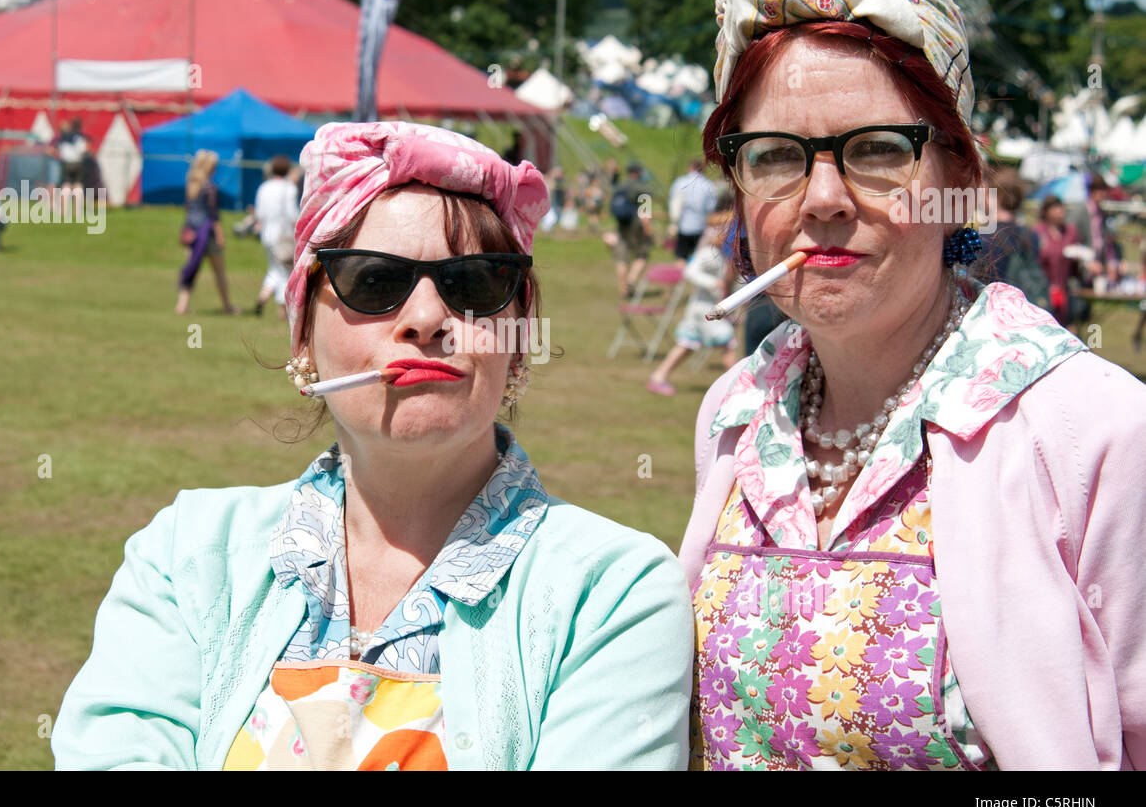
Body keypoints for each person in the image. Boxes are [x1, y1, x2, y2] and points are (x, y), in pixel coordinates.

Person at [53, 121, 693, 770]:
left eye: (472, 283)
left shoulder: (611, 593)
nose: (425, 317)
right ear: (302, 334)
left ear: (518, 337)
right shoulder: (188, 555)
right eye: (375, 281)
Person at [682, 0, 1146, 771]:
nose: (822, 199)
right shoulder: (734, 410)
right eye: (777, 155)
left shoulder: (1092, 429)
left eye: (877, 149)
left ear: (959, 172)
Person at [646, 224, 738, 397]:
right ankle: (741, 387)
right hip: (704, 309)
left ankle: (659, 376)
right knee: (728, 344)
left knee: (686, 345)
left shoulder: (727, 257)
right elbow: (690, 271)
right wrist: (713, 284)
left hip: (711, 308)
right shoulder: (708, 253)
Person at [175, 149, 239, 316]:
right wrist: (220, 235)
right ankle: (227, 306)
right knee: (219, 272)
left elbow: (188, 210)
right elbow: (213, 214)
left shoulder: (191, 184)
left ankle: (181, 305)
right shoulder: (210, 187)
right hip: (207, 233)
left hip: (192, 232)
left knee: (192, 268)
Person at [982, 167, 1049, 311]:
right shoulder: (1031, 235)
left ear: (995, 196)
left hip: (994, 313)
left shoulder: (984, 238)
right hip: (1023, 310)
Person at [252, 155, 300, 319]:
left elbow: (259, 214)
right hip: (284, 234)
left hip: (266, 233)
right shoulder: (289, 188)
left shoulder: (264, 187)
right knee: (285, 271)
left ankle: (263, 297)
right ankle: (282, 309)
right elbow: (292, 214)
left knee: (274, 268)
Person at [1033, 196, 1080, 327]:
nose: (1060, 212)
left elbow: (1077, 260)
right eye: (1055, 208)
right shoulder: (1037, 232)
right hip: (1042, 290)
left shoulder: (1070, 232)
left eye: (1061, 208)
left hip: (1064, 289)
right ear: (1046, 211)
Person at [611, 161, 653, 297]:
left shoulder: (620, 187)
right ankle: (631, 280)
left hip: (622, 225)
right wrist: (648, 228)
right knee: (642, 254)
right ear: (637, 172)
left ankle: (622, 289)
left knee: (622, 257)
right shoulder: (641, 188)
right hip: (637, 227)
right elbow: (645, 211)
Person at [669, 158, 723, 261]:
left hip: (682, 224)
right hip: (700, 226)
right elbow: (711, 207)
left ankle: (682, 275)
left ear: (690, 168)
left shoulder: (680, 182)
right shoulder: (708, 185)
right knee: (696, 257)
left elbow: (673, 202)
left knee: (681, 256)